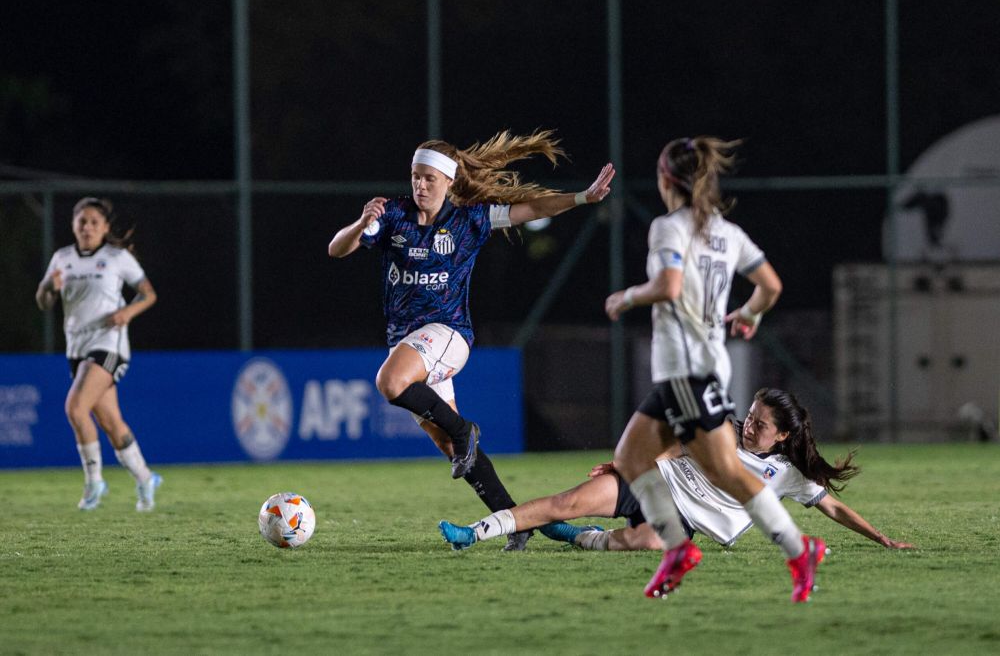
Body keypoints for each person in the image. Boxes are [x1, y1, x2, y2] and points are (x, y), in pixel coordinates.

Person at [328, 130, 615, 550]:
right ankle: (518, 522)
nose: (420, 185)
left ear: (448, 180)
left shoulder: (470, 219)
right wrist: (361, 220)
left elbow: (531, 207)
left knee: (390, 384)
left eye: (428, 178)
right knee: (450, 448)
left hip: (447, 335)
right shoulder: (392, 216)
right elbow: (338, 249)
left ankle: (466, 431)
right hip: (407, 344)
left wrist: (583, 198)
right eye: (414, 176)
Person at [601, 135, 824, 602]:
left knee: (725, 471)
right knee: (631, 458)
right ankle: (688, 550)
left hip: (685, 371)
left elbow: (667, 284)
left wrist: (627, 297)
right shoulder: (727, 232)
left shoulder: (669, 227)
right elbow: (771, 285)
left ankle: (793, 549)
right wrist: (750, 314)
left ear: (666, 179)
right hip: (699, 371)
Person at [439, 388, 915, 557]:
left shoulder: (787, 474)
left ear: (783, 436)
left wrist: (882, 539)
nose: (749, 424)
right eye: (750, 415)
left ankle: (577, 538)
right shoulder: (720, 427)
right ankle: (474, 533)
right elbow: (671, 442)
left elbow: (832, 506)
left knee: (652, 543)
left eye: (760, 423)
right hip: (654, 483)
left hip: (680, 519)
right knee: (565, 499)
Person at [35, 197, 162, 512]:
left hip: (109, 343)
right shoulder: (62, 258)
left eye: (94, 222)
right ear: (73, 225)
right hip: (77, 347)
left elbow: (148, 294)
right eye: (82, 221)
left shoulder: (116, 257)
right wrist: (48, 286)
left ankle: (94, 483)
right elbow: (43, 302)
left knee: (76, 408)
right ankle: (145, 478)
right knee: (110, 422)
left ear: (105, 227)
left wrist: (128, 313)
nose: (87, 226)